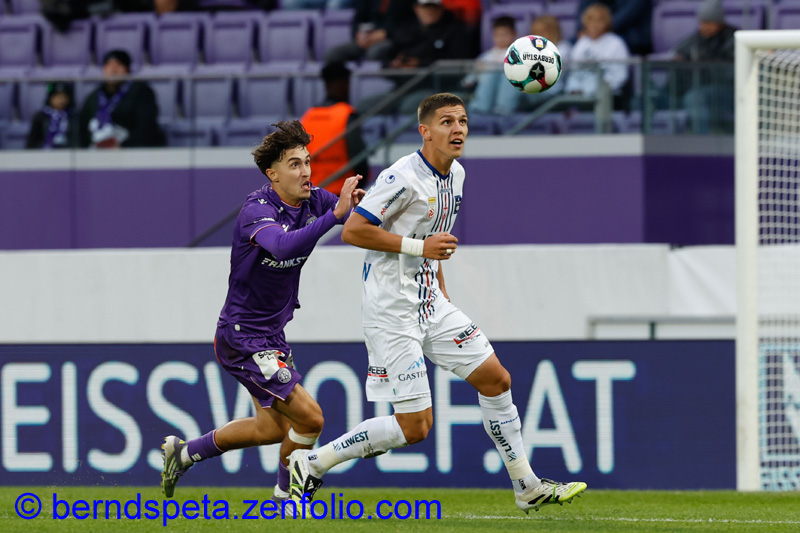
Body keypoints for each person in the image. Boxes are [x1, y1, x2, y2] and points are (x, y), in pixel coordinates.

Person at [287, 93, 587, 514]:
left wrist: (439, 285)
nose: (458, 129)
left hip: (431, 303)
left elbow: (435, 240)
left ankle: (527, 486)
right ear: (425, 131)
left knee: (496, 380)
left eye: (462, 121)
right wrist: (420, 248)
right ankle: (314, 462)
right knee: (415, 427)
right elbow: (353, 231)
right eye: (446, 122)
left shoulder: (457, 174)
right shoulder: (400, 177)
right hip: (392, 310)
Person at [160, 120, 366, 503]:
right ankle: (287, 498)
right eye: (294, 164)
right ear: (273, 174)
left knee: (270, 429)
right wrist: (335, 215)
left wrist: (364, 203)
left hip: (271, 336)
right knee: (311, 419)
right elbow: (282, 246)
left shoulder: (314, 200)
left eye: (307, 162)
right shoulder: (257, 209)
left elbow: (353, 213)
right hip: (242, 336)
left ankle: (184, 454)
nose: (305, 171)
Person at [300, 62, 369, 195]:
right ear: (345, 83)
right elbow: (358, 155)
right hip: (342, 191)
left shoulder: (308, 116)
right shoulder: (347, 114)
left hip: (314, 191)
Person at [672, 0, 736, 134]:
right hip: (696, 87)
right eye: (701, 22)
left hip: (727, 91)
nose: (703, 27)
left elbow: (730, 73)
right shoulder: (696, 40)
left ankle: (702, 140)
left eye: (707, 23)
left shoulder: (733, 38)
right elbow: (680, 51)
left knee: (695, 97)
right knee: (651, 97)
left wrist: (705, 65)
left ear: (718, 22)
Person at [79, 49, 165, 148]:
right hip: (99, 151)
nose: (113, 70)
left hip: (133, 150)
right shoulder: (94, 97)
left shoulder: (141, 92)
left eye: (118, 65)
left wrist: (122, 145)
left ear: (127, 70)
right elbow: (82, 128)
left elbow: (147, 128)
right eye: (109, 65)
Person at [565, 3, 630, 100]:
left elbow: (620, 76)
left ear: (606, 23)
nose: (595, 25)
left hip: (607, 96)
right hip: (581, 94)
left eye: (599, 21)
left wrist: (602, 89)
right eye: (591, 21)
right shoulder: (582, 43)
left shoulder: (616, 43)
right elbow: (574, 70)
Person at [323, 0, 416, 65]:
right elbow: (358, 19)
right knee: (333, 54)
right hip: (367, 39)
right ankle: (339, 86)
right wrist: (359, 35)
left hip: (394, 39)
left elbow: (412, 23)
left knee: (374, 52)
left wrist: (386, 33)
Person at [464, 16, 520, 117]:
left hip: (508, 103)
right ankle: (479, 110)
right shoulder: (486, 57)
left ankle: (502, 110)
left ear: (514, 34)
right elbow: (469, 80)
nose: (501, 39)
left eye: (505, 34)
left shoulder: (520, 55)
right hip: (485, 100)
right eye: (497, 35)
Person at [576, 0, 652, 56]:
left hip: (630, 36)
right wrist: (582, 28)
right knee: (573, 42)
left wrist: (603, 28)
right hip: (604, 29)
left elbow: (629, 12)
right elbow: (585, 6)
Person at [25, 81, 80, 149]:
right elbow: (32, 143)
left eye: (64, 97)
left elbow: (76, 141)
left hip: (67, 153)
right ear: (50, 98)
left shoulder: (74, 117)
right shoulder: (41, 117)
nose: (61, 100)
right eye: (57, 96)